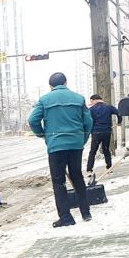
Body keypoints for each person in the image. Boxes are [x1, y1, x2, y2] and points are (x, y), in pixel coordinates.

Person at [28, 72, 93, 227]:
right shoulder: (78, 98)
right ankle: (86, 212)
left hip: (56, 145)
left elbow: (32, 120)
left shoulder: (44, 100)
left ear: (51, 86)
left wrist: (43, 135)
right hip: (75, 144)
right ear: (65, 82)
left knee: (59, 181)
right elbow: (88, 122)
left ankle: (66, 217)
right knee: (77, 176)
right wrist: (81, 140)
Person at [86, 94, 121, 177]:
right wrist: (119, 122)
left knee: (93, 151)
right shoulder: (108, 107)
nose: (91, 103)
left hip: (96, 132)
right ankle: (109, 167)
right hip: (106, 131)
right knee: (106, 149)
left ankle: (89, 169)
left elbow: (87, 120)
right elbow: (118, 112)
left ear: (94, 100)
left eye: (91, 101)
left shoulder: (91, 109)